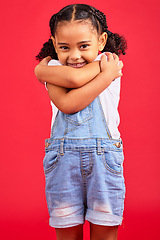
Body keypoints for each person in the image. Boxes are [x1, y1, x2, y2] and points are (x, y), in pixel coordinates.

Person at [35, 4, 127, 240]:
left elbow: (74, 79)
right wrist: (105, 75)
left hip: (104, 159)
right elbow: (68, 103)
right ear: (54, 44)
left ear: (101, 41)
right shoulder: (64, 68)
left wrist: (39, 71)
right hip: (63, 162)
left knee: (105, 229)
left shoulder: (108, 62)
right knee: (66, 231)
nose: (74, 56)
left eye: (84, 46)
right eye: (64, 47)